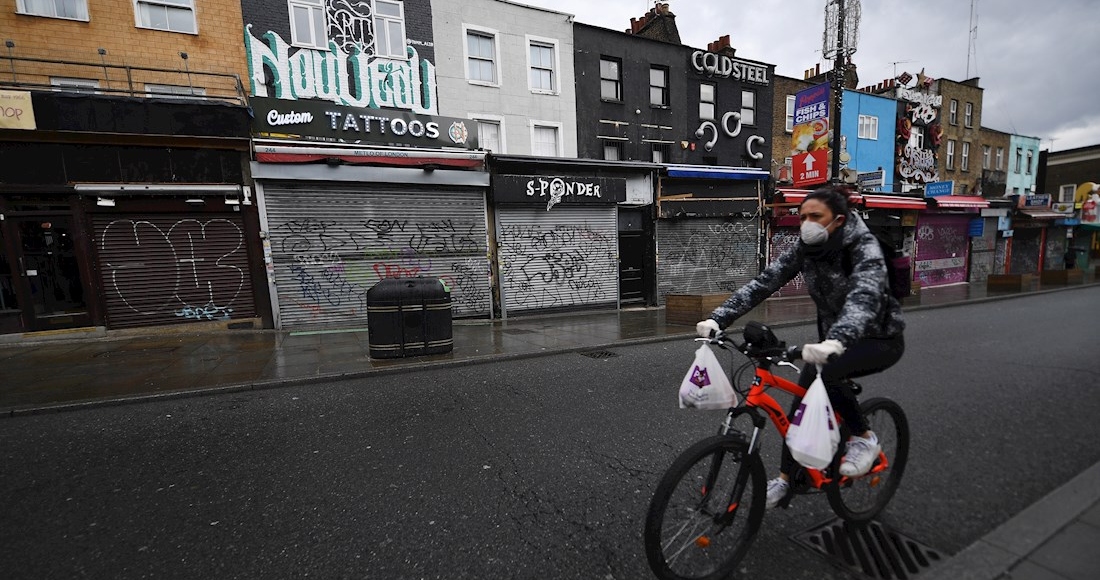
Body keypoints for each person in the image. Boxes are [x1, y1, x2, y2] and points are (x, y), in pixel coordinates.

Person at [696, 184, 906, 510]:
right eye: (802, 215)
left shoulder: (863, 248)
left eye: (815, 216)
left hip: (878, 338)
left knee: (830, 372)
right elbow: (765, 281)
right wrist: (719, 319)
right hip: (834, 339)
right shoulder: (807, 248)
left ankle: (865, 439)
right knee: (800, 411)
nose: (806, 222)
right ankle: (786, 480)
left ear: (838, 220)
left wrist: (838, 339)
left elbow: (864, 297)